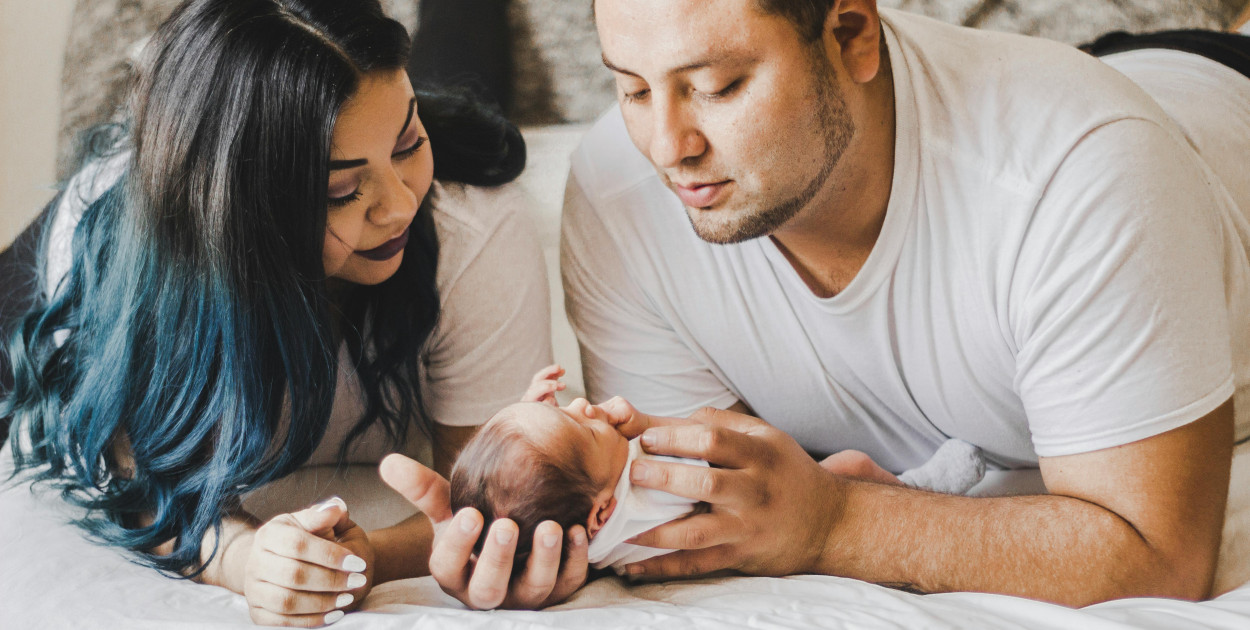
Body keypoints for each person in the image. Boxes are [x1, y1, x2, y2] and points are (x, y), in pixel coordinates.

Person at [382, 0, 1250, 610]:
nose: (669, 147)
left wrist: (841, 522)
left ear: (849, 33)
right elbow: (695, 503)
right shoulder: (620, 190)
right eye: (634, 88)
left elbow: (1159, 558)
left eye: (718, 85)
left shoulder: (1083, 177)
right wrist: (558, 544)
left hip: (1216, 97)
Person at [1, 0, 559, 626]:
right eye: (341, 192)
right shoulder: (122, 254)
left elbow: (484, 497)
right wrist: (242, 558)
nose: (399, 207)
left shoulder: (469, 220)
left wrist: (370, 555)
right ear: (242, 211)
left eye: (409, 144)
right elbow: (138, 486)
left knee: (459, 76)